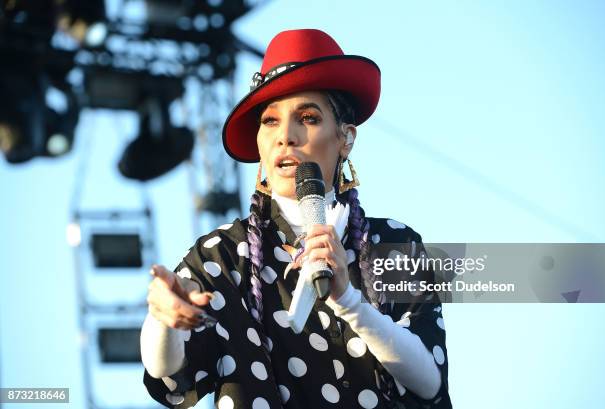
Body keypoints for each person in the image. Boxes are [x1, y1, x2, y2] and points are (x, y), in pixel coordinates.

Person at [141, 28, 452, 409]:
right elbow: (168, 377)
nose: (285, 136)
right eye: (269, 121)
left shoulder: (393, 243)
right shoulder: (220, 256)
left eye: (307, 117)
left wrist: (350, 301)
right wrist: (163, 319)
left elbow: (430, 382)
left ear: (345, 138)